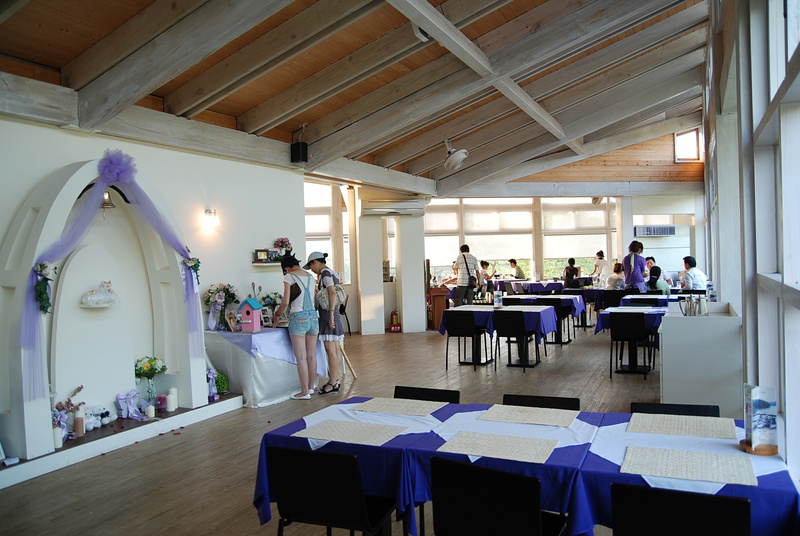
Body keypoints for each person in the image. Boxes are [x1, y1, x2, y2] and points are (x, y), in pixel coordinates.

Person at [272, 253, 318, 400]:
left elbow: (285, 302)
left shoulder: (289, 277)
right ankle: (310, 387)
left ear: (286, 268)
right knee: (312, 356)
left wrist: (277, 315)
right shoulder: (311, 277)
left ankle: (304, 392)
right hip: (313, 317)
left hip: (298, 318)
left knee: (301, 357)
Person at [304, 251, 344, 395]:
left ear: (315, 262)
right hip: (333, 313)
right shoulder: (332, 273)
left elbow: (332, 292)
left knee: (330, 350)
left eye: (311, 266)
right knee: (335, 349)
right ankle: (336, 380)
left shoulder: (325, 274)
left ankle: (332, 382)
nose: (312, 270)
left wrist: (331, 315)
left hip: (328, 314)